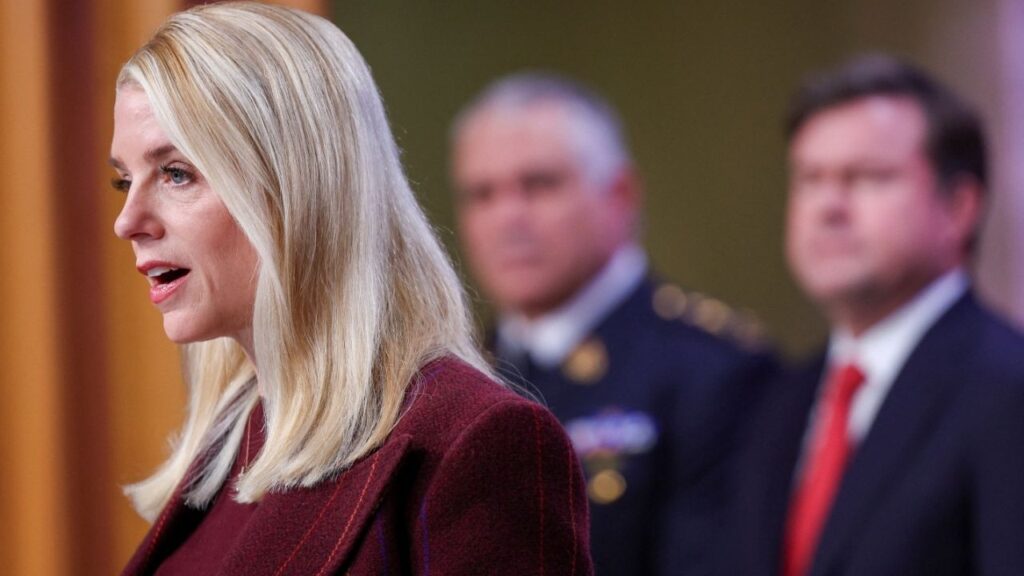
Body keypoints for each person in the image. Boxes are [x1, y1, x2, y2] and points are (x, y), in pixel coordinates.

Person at [109, 4, 592, 575]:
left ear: (298, 185)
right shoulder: (232, 442)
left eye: (176, 173)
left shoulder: (474, 444)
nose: (127, 220)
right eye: (123, 180)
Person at [450, 73, 775, 575]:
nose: (508, 218)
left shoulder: (715, 371)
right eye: (482, 194)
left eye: (539, 185)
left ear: (619, 194)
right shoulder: (452, 377)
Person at [732, 54, 1024, 576]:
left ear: (958, 208)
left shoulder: (1007, 388)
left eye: (867, 177)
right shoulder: (775, 400)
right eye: (810, 178)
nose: (828, 207)